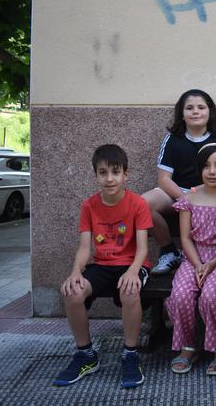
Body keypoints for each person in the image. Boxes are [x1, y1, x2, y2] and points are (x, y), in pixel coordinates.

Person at [53, 144, 151, 388]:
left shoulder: (138, 203)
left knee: (130, 290)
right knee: (73, 292)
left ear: (125, 174)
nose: (109, 178)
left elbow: (142, 249)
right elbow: (85, 248)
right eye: (103, 172)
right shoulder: (89, 205)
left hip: (131, 264)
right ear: (95, 175)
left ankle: (130, 354)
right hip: (102, 265)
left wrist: (132, 271)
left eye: (115, 172)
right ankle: (86, 354)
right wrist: (75, 272)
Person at [144, 89, 216, 275]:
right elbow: (163, 179)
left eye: (201, 107)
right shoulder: (173, 138)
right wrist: (188, 199)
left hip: (211, 192)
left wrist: (201, 196)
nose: (195, 111)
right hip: (178, 194)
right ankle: (170, 251)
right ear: (182, 113)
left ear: (210, 111)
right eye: (189, 108)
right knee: (142, 204)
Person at [165, 144, 216, 376]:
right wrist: (197, 264)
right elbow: (185, 238)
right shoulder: (189, 198)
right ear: (199, 169)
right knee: (180, 294)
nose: (212, 171)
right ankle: (187, 346)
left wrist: (212, 264)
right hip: (193, 258)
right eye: (206, 166)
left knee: (210, 294)